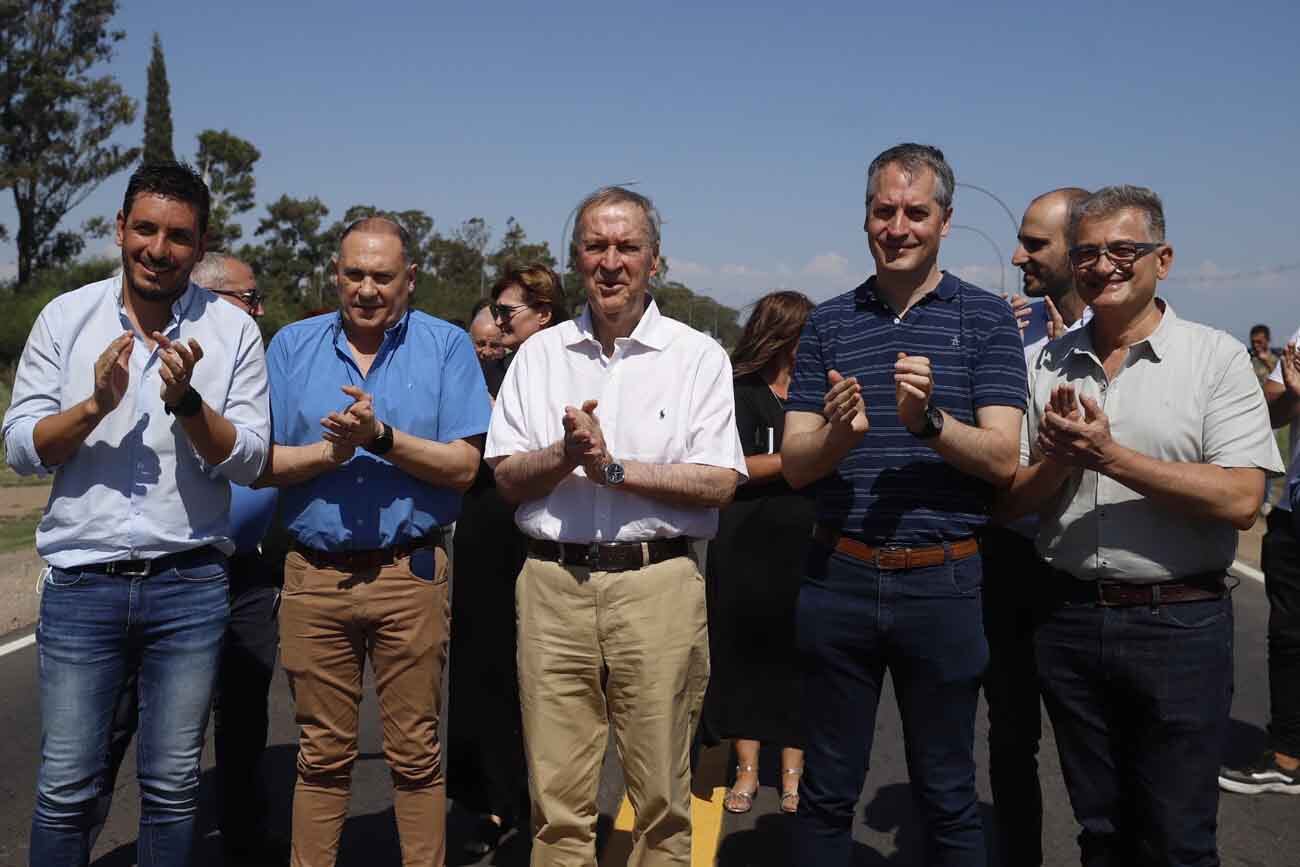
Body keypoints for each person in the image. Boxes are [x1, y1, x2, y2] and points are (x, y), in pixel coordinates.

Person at [1001, 185, 1282, 865]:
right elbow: (1012, 500)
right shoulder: (1045, 362)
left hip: (1178, 624)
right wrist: (1060, 460)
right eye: (1089, 252)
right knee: (1101, 829)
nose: (1104, 265)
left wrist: (1109, 455)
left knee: (1178, 836)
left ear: (1164, 258)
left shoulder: (1214, 360)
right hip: (1068, 620)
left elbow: (1242, 497)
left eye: (1123, 250)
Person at [3, 162, 271, 867]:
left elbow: (247, 458)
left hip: (188, 585)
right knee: (65, 787)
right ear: (120, 229)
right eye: (145, 229)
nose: (159, 248)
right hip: (83, 583)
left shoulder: (233, 333)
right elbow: (22, 447)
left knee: (172, 787)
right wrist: (93, 406)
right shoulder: (66, 318)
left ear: (200, 241)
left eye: (178, 235)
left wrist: (188, 404)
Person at [484, 186, 747, 867]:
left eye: (627, 246)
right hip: (551, 584)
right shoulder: (539, 357)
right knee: (556, 804)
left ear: (653, 261)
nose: (611, 261)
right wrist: (564, 455)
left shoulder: (696, 357)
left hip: (656, 585)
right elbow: (507, 477)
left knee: (661, 802)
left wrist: (613, 468)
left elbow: (719, 480)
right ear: (577, 259)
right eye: (596, 246)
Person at [783, 143, 1026, 867]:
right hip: (841, 573)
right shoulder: (829, 321)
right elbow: (796, 465)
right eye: (883, 211)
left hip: (943, 579)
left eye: (915, 212)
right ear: (865, 219)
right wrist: (838, 434)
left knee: (947, 791)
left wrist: (929, 423)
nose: (898, 226)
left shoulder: (984, 320)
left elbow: (1004, 458)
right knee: (826, 790)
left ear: (944, 221)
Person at [257, 215, 489, 867]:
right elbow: (262, 460)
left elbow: (465, 467)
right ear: (336, 273)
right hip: (313, 574)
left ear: (409, 279)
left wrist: (380, 439)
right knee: (321, 753)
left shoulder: (446, 347)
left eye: (382, 276)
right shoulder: (292, 347)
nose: (366, 288)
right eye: (354, 273)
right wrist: (329, 454)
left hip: (407, 572)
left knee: (415, 751)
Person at [86, 252, 286, 865]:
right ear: (213, 297)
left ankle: (244, 843)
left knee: (243, 717)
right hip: (171, 566)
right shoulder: (141, 356)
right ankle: (81, 834)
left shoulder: (256, 359)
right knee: (118, 723)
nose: (260, 310)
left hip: (245, 569)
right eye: (250, 298)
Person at [981, 186, 1090, 867]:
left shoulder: (1129, 342)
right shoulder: (1018, 341)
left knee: (1093, 743)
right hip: (1014, 561)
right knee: (1010, 736)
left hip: (1088, 575)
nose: (1019, 255)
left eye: (1035, 243)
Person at [448, 264, 569, 856]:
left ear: (544, 315)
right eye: (493, 316)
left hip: (547, 537)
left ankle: (544, 803)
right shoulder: (482, 371)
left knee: (552, 682)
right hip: (485, 535)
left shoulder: (567, 368)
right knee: (484, 674)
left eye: (505, 314)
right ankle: (490, 802)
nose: (494, 327)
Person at [701, 290, 816, 816]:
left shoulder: (818, 393)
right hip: (745, 543)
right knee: (744, 657)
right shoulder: (739, 390)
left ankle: (793, 772)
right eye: (805, 333)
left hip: (808, 544)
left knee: (801, 659)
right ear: (782, 335)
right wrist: (802, 457)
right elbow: (730, 467)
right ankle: (746, 768)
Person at [1219, 328, 1300, 794]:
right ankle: (1287, 754)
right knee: (1289, 638)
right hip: (1293, 515)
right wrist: (1292, 396)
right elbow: (1270, 411)